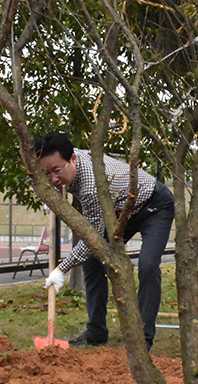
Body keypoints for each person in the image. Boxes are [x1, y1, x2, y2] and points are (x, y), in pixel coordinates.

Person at [36, 132, 174, 350]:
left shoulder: (91, 185)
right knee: (92, 261)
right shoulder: (74, 159)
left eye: (57, 171)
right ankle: (96, 332)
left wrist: (61, 269)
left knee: (147, 265)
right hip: (121, 211)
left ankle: (143, 338)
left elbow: (93, 237)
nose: (53, 179)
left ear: (72, 159)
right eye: (46, 173)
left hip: (154, 205)